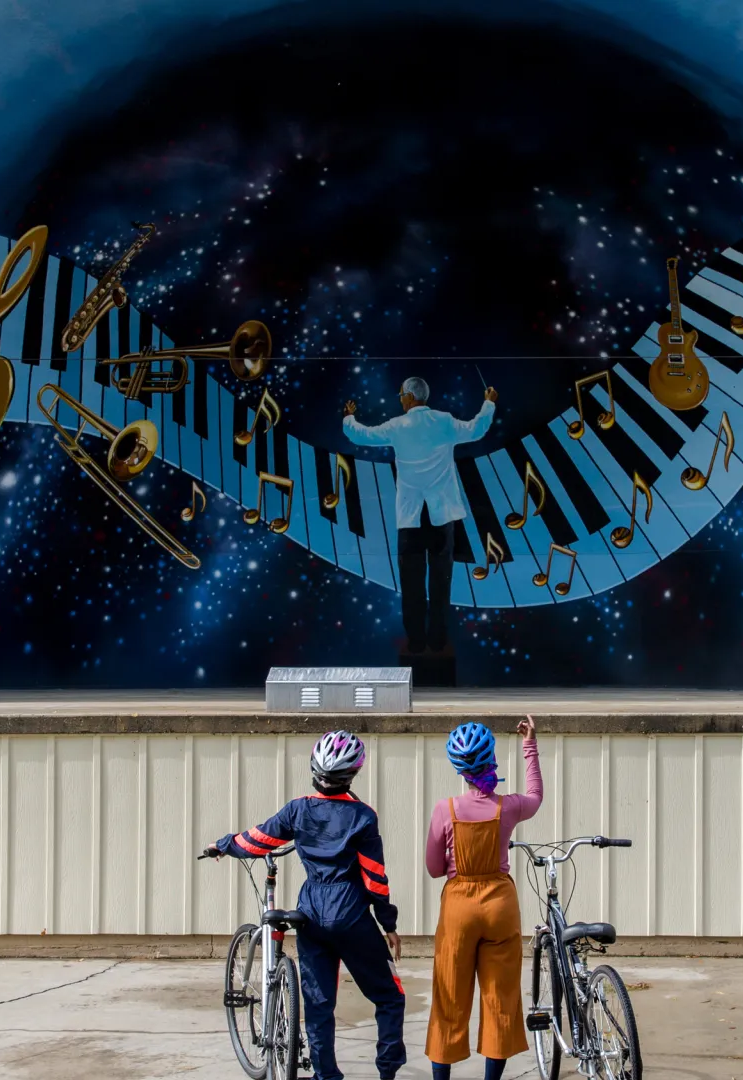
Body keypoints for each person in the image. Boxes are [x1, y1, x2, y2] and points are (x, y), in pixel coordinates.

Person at [203, 731, 407, 1080]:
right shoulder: (363, 817)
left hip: (310, 911)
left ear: (314, 771)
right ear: (353, 775)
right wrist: (388, 925)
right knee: (389, 997)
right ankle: (387, 1071)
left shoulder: (298, 809)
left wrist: (222, 845)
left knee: (318, 1002)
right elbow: (375, 879)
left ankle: (326, 1075)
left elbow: (257, 839)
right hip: (351, 914)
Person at [424, 717, 542, 1080]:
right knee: (500, 998)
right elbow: (536, 795)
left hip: (460, 906)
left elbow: (433, 869)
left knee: (449, 998)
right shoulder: (508, 806)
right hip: (500, 906)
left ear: (459, 769)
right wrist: (530, 746)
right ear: (491, 759)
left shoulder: (446, 810)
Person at [343, 377, 497, 654]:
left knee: (411, 585)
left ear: (411, 397)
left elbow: (361, 435)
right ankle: (437, 640)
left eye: (401, 394)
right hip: (442, 517)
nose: (400, 398)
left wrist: (349, 418)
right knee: (441, 583)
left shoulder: (396, 426)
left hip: (410, 519)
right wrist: (488, 403)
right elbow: (477, 429)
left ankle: (415, 642)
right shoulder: (445, 421)